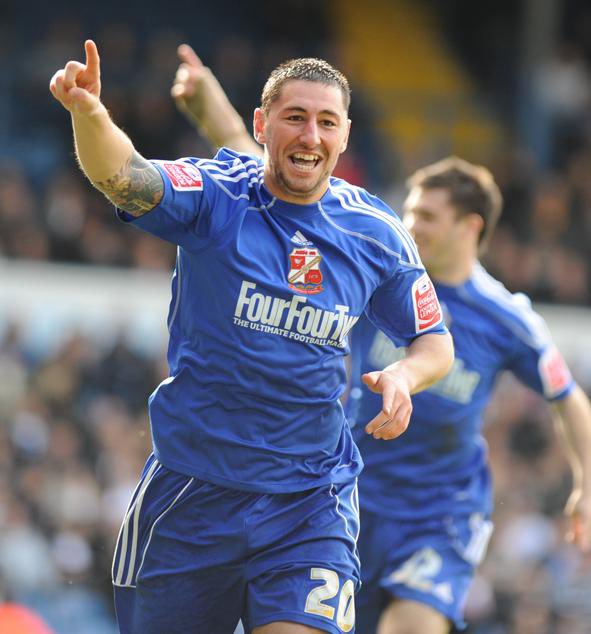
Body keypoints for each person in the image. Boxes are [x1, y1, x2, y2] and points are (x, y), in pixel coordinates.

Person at [171, 45, 591, 634]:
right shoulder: (371, 257)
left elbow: (567, 396)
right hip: (346, 491)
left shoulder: (506, 319)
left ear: (470, 229)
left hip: (436, 518)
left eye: (428, 217)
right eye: (412, 212)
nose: (411, 224)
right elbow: (254, 161)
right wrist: (207, 99)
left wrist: (586, 487)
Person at [49, 41, 454, 634]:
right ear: (263, 126)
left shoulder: (376, 234)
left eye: (326, 122)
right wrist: (89, 112)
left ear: (345, 136)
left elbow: (434, 340)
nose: (310, 136)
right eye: (295, 118)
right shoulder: (218, 196)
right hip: (192, 496)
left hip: (310, 500)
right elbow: (126, 176)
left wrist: (403, 375)